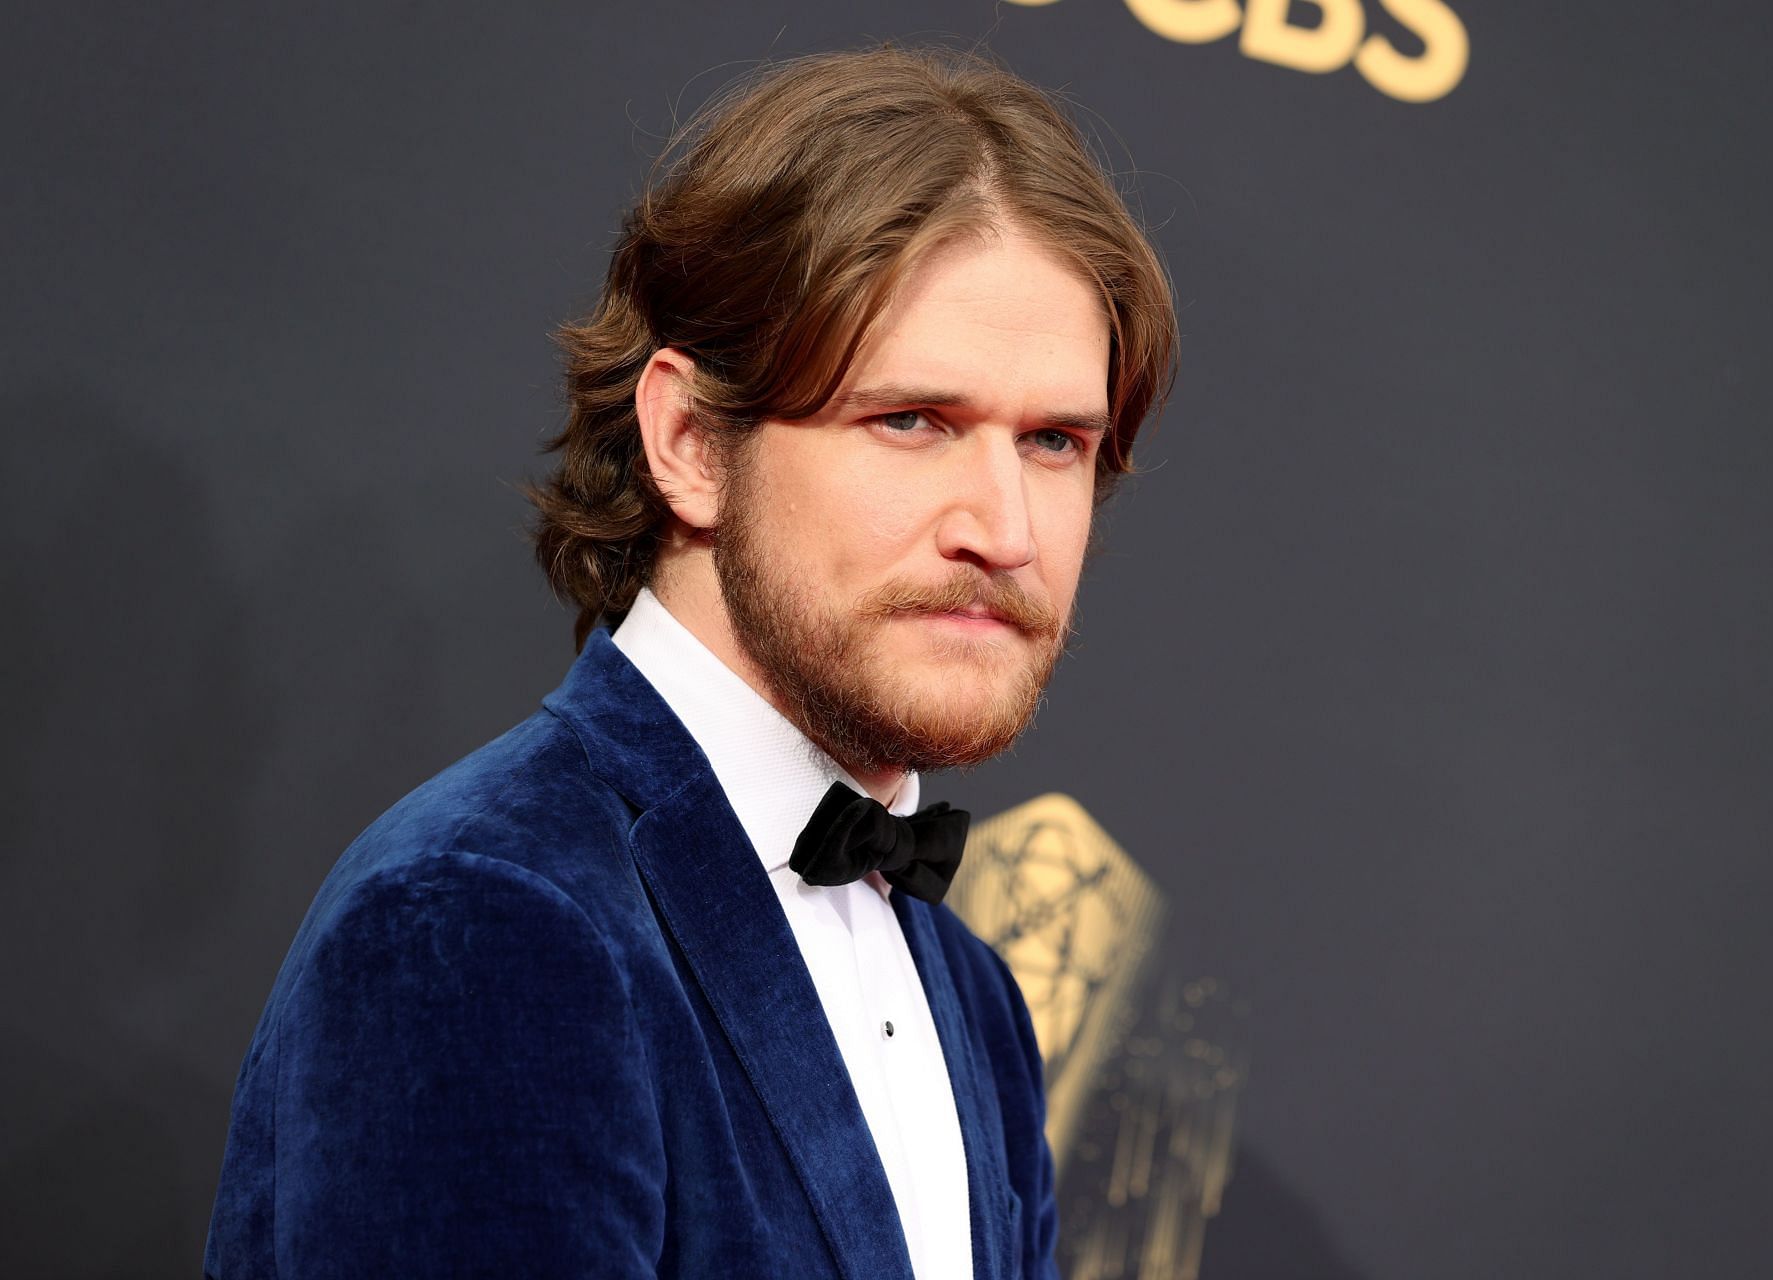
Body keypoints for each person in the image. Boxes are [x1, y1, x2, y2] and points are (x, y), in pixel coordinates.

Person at [204, 43, 1176, 1280]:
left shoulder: (975, 999)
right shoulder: (489, 914)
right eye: (912, 420)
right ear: (689, 442)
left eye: (1053, 441)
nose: (1005, 526)